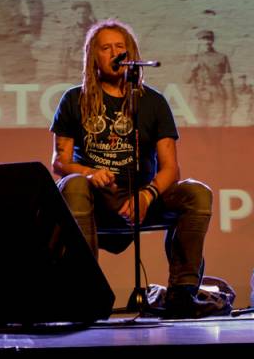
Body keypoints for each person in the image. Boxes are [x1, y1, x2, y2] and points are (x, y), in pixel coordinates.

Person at [51, 19, 223, 319]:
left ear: (131, 54)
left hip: (141, 198)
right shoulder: (74, 99)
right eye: (106, 48)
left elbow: (171, 168)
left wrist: (148, 194)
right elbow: (59, 162)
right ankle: (84, 290)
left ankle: (183, 293)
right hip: (94, 199)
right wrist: (90, 173)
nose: (115, 53)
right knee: (74, 184)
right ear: (93, 56)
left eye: (120, 47)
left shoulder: (153, 102)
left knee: (197, 194)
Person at [185, 30, 236, 126]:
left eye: (209, 39)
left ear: (212, 41)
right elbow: (185, 79)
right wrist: (192, 69)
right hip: (198, 96)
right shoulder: (193, 58)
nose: (207, 42)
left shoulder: (221, 57)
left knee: (217, 125)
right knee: (197, 127)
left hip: (216, 96)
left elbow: (228, 80)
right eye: (203, 39)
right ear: (199, 41)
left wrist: (231, 99)